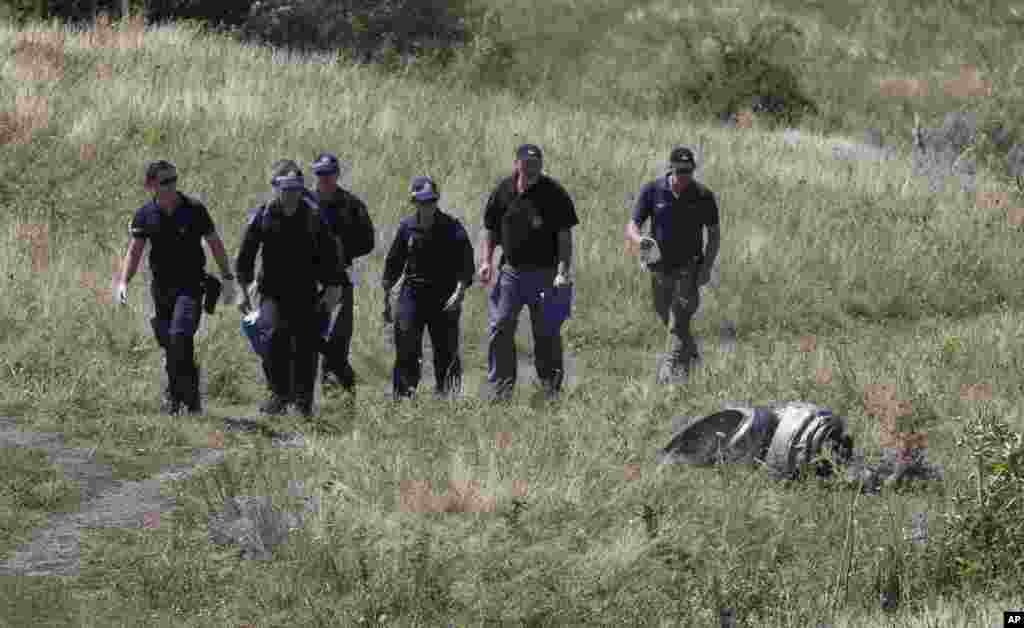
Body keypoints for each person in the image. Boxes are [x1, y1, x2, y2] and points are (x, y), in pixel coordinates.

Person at [116, 160, 236, 415]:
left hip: (191, 286)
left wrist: (228, 278)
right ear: (151, 186)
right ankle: (188, 398)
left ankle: (175, 396)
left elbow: (215, 243)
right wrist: (123, 282)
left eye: (174, 180)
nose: (171, 186)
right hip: (161, 289)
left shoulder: (194, 209)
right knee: (173, 344)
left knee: (179, 335)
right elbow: (134, 252)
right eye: (165, 182)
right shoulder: (144, 215)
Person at [235, 159, 344, 418]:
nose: (291, 194)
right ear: (276, 188)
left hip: (306, 291)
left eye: (296, 188)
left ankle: (304, 402)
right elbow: (246, 254)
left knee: (306, 346)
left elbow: (331, 255)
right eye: (285, 188)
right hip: (272, 291)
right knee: (274, 341)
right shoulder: (263, 215)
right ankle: (279, 395)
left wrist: (332, 288)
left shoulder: (314, 216)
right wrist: (242, 286)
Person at [479, 144, 578, 402]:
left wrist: (563, 271)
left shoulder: (554, 193)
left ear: (540, 165)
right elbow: (490, 229)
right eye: (525, 162)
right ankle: (500, 390)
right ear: (516, 164)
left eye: (535, 162)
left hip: (546, 274)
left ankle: (550, 390)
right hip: (511, 273)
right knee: (501, 326)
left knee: (546, 331)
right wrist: (487, 261)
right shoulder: (503, 191)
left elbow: (565, 237)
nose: (530, 166)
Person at [625, 146, 721, 383]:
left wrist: (707, 267)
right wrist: (639, 241)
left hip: (689, 268)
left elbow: (714, 234)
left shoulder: (703, 196)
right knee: (664, 313)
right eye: (679, 171)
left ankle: (668, 374)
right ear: (670, 168)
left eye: (688, 171)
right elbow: (632, 226)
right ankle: (693, 357)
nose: (684, 176)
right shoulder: (652, 190)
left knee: (678, 319)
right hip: (658, 267)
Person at [381, 176, 474, 399]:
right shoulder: (407, 228)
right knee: (406, 345)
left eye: (431, 201)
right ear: (414, 202)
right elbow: (393, 263)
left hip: (444, 294)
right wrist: (386, 298)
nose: (427, 206)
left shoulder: (452, 227)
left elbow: (466, 262)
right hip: (412, 293)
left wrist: (459, 293)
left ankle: (447, 396)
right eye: (422, 202)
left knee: (446, 350)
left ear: (436, 200)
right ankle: (404, 396)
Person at [309, 152, 376, 396]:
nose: (324, 178)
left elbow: (368, 241)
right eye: (319, 174)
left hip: (339, 279)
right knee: (304, 340)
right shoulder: (305, 201)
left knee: (336, 341)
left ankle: (338, 394)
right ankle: (300, 399)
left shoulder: (351, 204)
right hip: (306, 280)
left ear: (337, 174)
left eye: (329, 174)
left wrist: (341, 248)